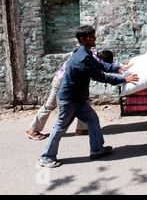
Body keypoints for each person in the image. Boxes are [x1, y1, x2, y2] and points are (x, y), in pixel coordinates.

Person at [38, 26, 139, 168]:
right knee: (60, 128)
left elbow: (99, 64)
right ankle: (46, 157)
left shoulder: (85, 52)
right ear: (83, 39)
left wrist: (119, 68)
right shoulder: (82, 59)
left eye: (94, 35)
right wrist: (124, 80)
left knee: (92, 120)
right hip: (68, 100)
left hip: (78, 99)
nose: (95, 39)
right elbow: (101, 76)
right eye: (91, 37)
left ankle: (97, 150)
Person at [26, 50, 124, 140]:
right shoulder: (90, 60)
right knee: (49, 106)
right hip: (62, 83)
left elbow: (109, 65)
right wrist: (122, 78)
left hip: (76, 84)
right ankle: (32, 129)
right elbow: (103, 75)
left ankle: (82, 128)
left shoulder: (94, 55)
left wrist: (122, 67)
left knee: (84, 103)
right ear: (102, 60)